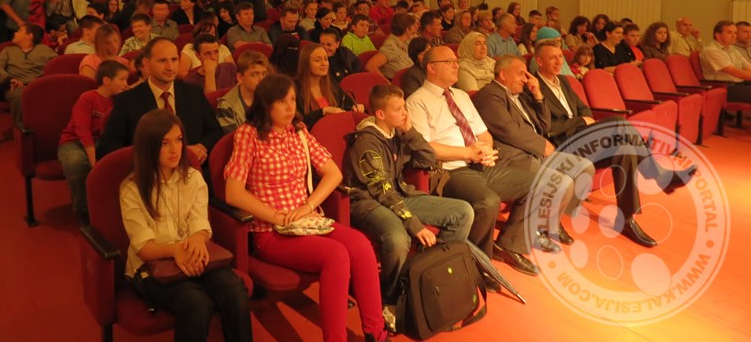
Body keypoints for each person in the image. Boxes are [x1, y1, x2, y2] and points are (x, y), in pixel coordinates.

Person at [224, 75, 391, 342]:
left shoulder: (299, 131)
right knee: (336, 255)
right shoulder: (249, 134)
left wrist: (308, 205)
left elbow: (333, 174)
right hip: (271, 230)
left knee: (360, 245)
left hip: (306, 220)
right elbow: (233, 193)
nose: (290, 107)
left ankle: (376, 332)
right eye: (282, 101)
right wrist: (277, 216)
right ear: (266, 104)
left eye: (292, 100)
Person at [534, 44, 696, 246]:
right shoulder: (533, 88)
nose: (559, 61)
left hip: (584, 140)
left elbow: (585, 109)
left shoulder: (564, 82)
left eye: (560, 56)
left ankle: (626, 219)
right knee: (618, 122)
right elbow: (547, 128)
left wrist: (583, 120)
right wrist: (580, 121)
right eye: (553, 58)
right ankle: (659, 175)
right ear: (539, 61)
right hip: (563, 146)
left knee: (625, 151)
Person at [405, 45, 539, 275]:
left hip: (479, 164)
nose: (456, 65)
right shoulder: (417, 101)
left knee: (538, 181)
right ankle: (478, 263)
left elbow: (483, 133)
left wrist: (485, 149)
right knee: (488, 201)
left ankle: (509, 245)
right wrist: (467, 152)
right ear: (431, 68)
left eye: (456, 61)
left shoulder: (461, 96)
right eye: (449, 61)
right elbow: (425, 148)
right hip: (449, 171)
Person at [120, 110, 252, 342]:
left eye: (179, 140)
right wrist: (176, 250)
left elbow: (201, 224)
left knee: (234, 289)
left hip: (192, 254)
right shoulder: (132, 188)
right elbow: (143, 248)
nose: (175, 149)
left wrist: (198, 240)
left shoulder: (192, 178)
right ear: (148, 146)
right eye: (165, 143)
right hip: (152, 266)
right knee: (196, 303)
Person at [345, 84, 475, 306]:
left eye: (404, 107)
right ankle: (388, 296)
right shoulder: (367, 143)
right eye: (398, 109)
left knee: (463, 212)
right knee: (398, 239)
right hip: (369, 202)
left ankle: (426, 276)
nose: (405, 113)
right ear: (380, 114)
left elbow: (427, 159)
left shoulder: (397, 134)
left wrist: (411, 132)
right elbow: (382, 191)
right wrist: (414, 225)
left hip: (398, 194)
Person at [473, 55, 594, 248]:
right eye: (521, 74)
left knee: (584, 167)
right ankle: (536, 229)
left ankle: (551, 222)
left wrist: (537, 94)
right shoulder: (490, 94)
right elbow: (509, 130)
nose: (525, 79)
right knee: (562, 183)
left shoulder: (521, 94)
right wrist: (541, 145)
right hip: (514, 155)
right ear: (503, 74)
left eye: (526, 74)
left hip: (533, 150)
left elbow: (545, 126)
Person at [97, 38, 222, 164]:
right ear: (146, 63)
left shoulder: (193, 93)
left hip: (192, 167)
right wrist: (152, 155)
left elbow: (215, 131)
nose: (170, 67)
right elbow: (106, 147)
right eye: (162, 61)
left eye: (174, 60)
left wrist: (202, 146)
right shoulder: (127, 101)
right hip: (149, 169)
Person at [58, 60, 128, 224]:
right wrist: (93, 158)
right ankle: (85, 214)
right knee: (76, 164)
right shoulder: (88, 98)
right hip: (74, 141)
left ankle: (113, 211)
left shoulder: (120, 100)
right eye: (122, 79)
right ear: (107, 80)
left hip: (102, 142)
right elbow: (82, 130)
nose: (126, 84)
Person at [0, 23, 57, 128]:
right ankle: (22, 130)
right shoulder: (8, 51)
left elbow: (58, 66)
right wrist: (9, 78)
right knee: (20, 95)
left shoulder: (45, 50)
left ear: (29, 36)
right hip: (17, 86)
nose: (15, 33)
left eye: (19, 31)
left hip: (38, 86)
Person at [295, 43, 362, 129]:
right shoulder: (295, 88)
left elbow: (346, 102)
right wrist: (323, 111)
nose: (324, 63)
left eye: (326, 59)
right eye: (317, 60)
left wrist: (355, 107)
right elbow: (299, 120)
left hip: (337, 128)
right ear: (305, 63)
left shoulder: (330, 83)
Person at [216, 51, 269, 134]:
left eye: (264, 74)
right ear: (240, 78)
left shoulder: (270, 96)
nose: (261, 79)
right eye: (254, 75)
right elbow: (234, 138)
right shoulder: (226, 106)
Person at [700, 20, 751, 103]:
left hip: (739, 84)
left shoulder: (731, 48)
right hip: (724, 88)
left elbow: (747, 66)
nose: (734, 36)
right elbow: (734, 72)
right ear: (718, 35)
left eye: (735, 33)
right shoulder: (711, 50)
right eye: (729, 32)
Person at [366, 13, 418, 79]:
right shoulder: (391, 46)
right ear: (407, 29)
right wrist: (387, 83)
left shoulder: (407, 41)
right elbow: (370, 66)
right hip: (398, 82)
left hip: (411, 79)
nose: (416, 29)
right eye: (413, 26)